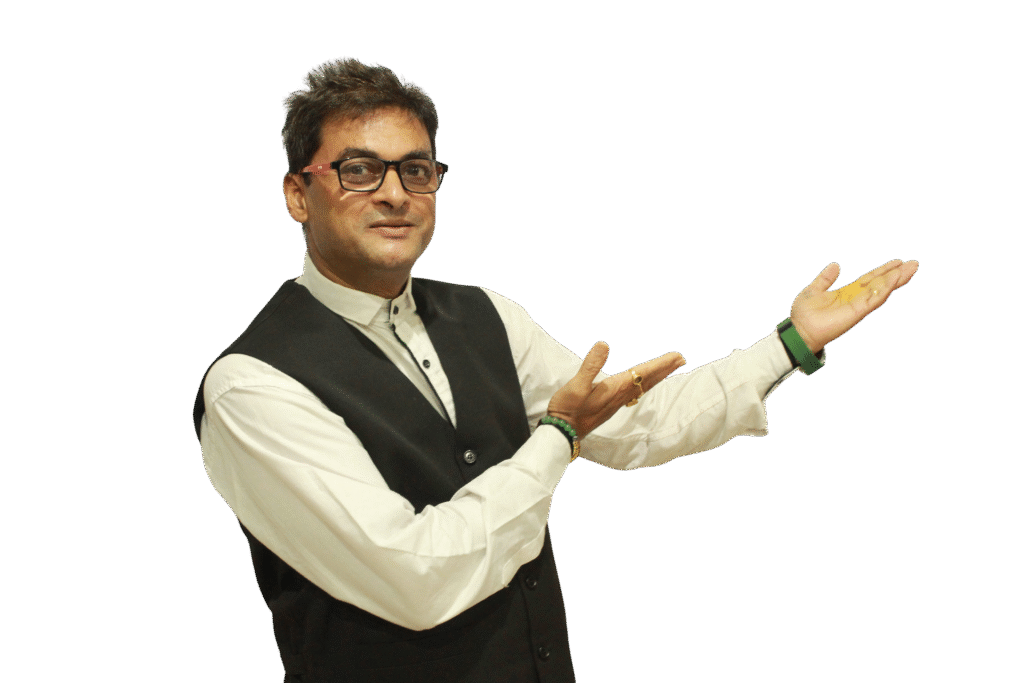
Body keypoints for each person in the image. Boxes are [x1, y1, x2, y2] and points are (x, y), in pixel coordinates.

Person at [192, 57, 918, 683]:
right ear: (298, 193)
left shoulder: (484, 313)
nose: (394, 193)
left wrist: (789, 343)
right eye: (359, 170)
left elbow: (635, 426)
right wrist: (557, 437)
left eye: (416, 170)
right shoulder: (252, 385)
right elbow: (416, 576)